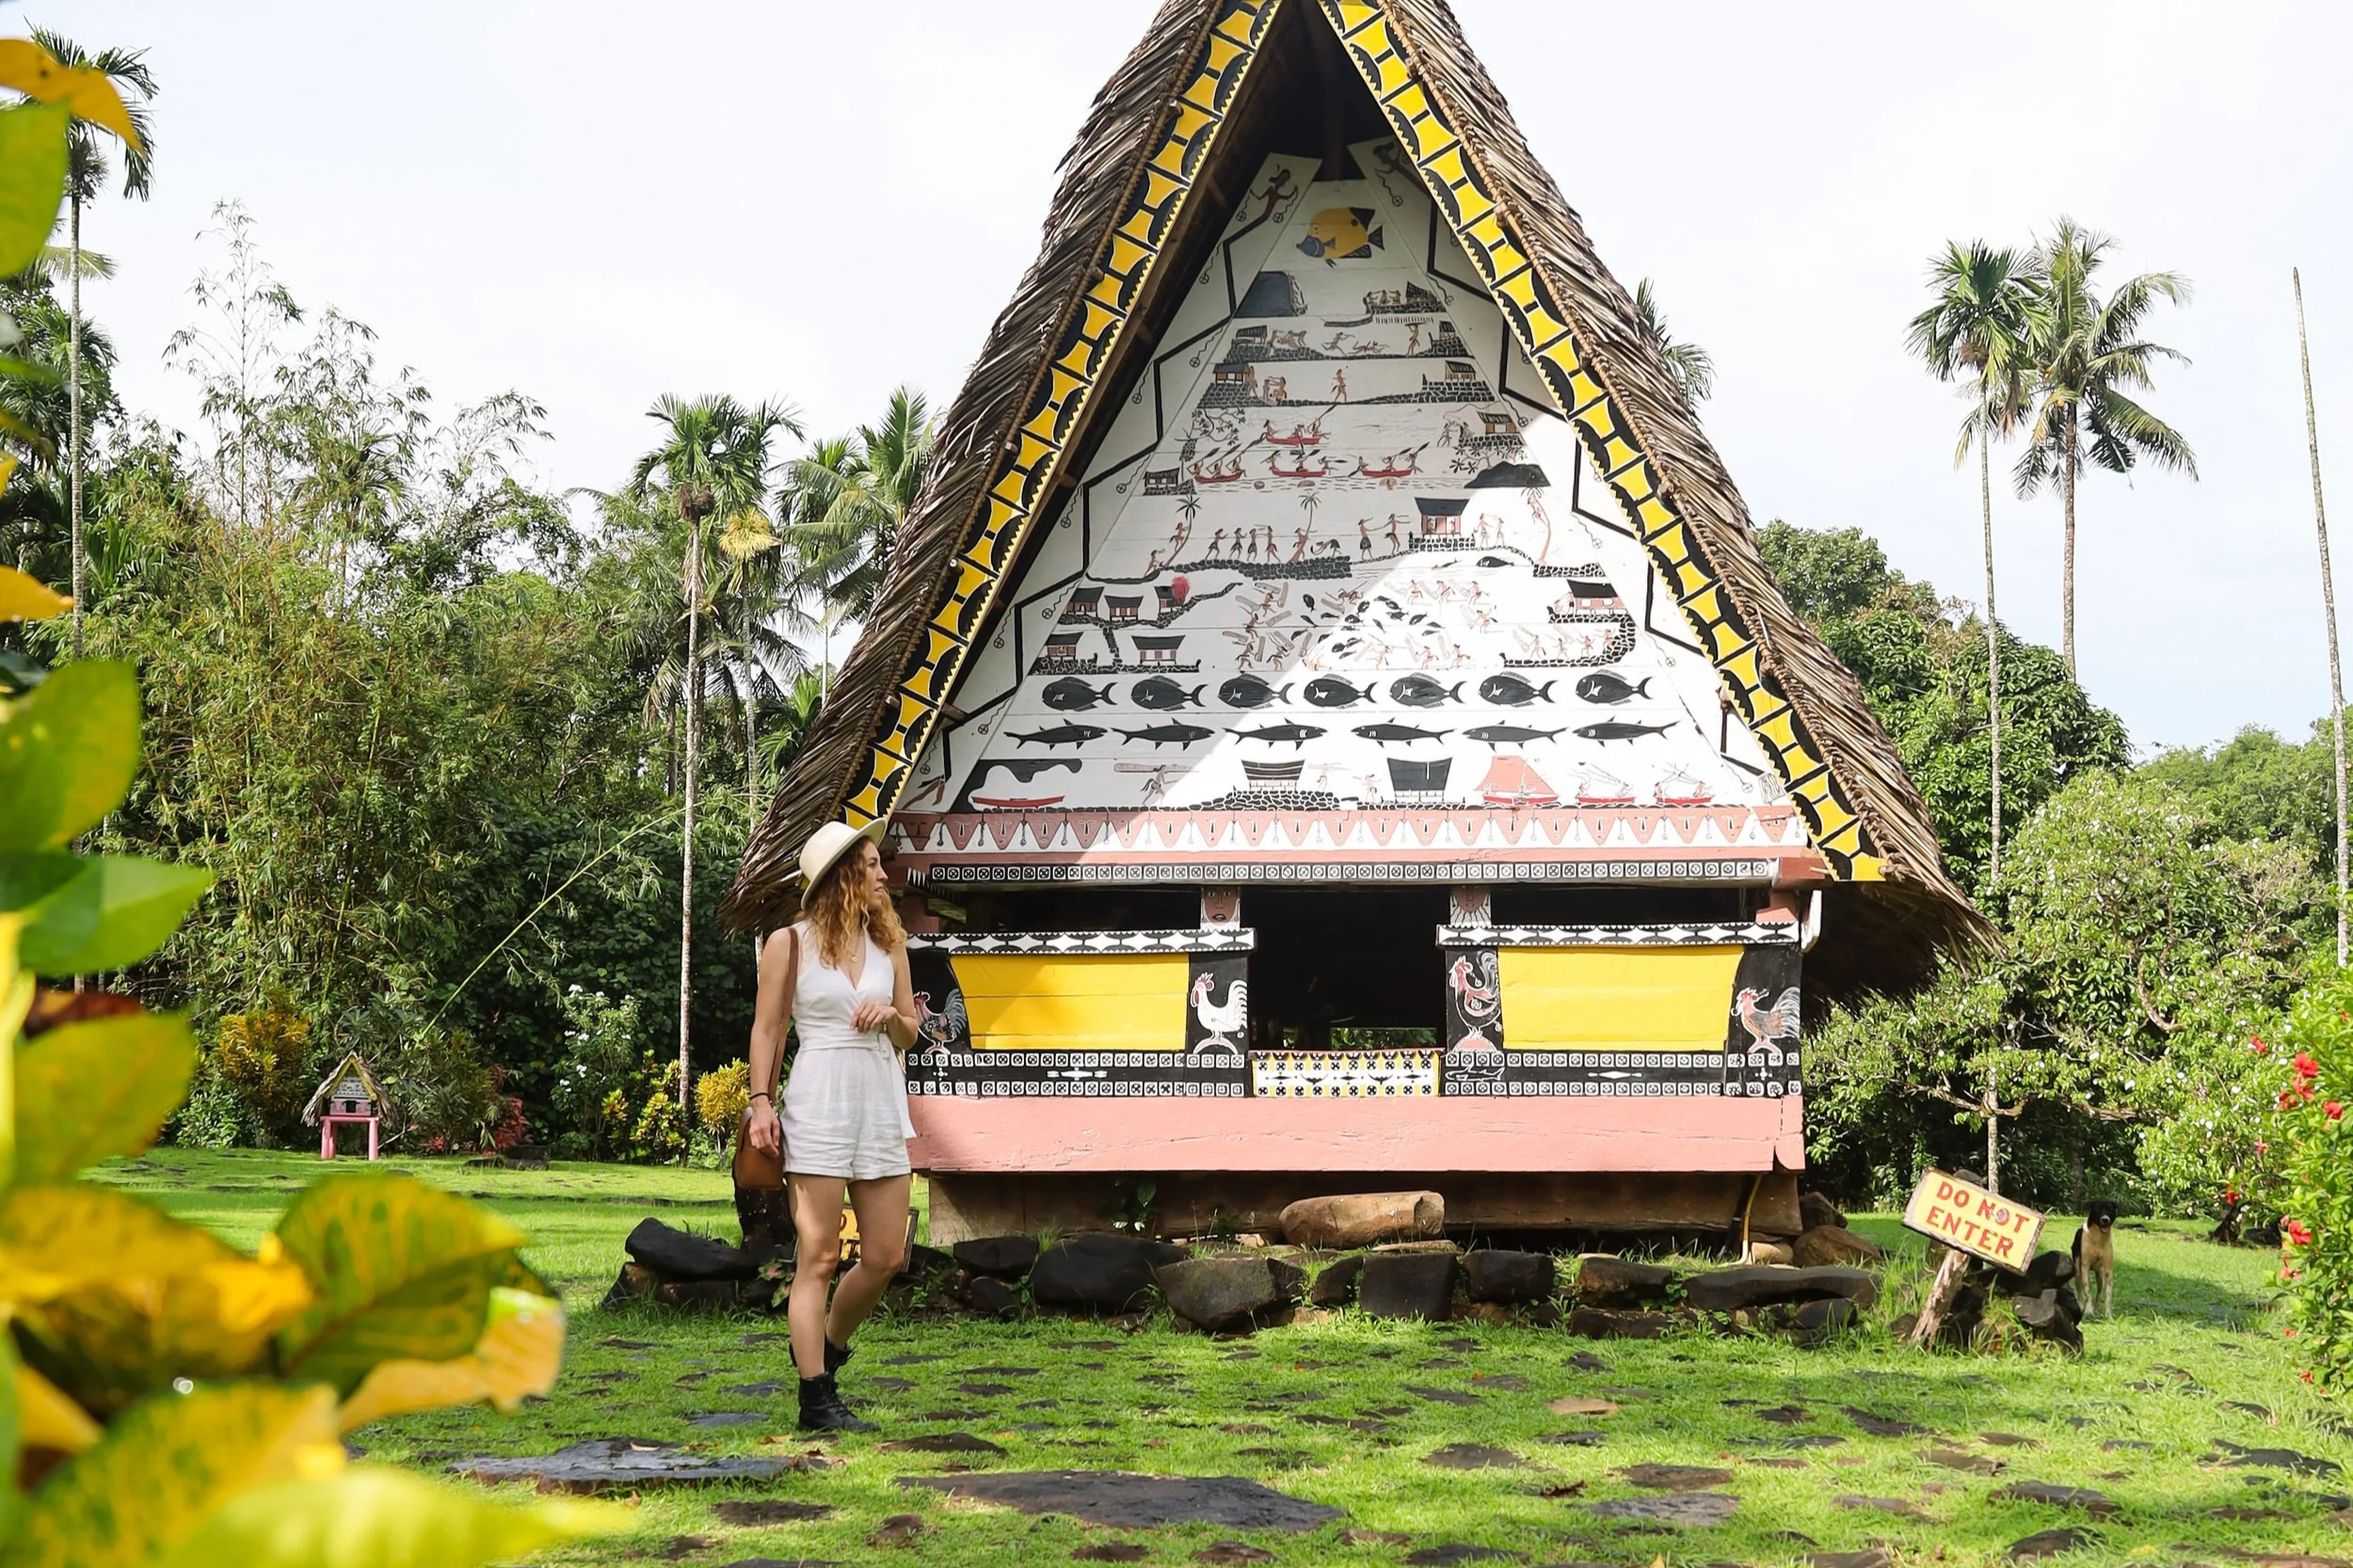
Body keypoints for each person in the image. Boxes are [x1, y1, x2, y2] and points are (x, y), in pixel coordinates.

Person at [744, 820, 916, 1432]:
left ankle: (829, 1350)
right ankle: (815, 1397)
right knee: (816, 1256)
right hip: (817, 1098)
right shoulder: (787, 944)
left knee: (887, 1254)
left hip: (878, 1097)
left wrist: (891, 1014)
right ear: (842, 876)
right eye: (870, 865)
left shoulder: (888, 943)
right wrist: (760, 1102)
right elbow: (768, 1029)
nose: (882, 874)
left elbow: (910, 1031)